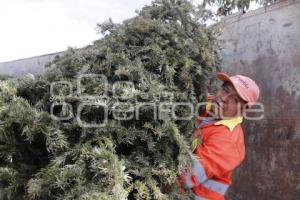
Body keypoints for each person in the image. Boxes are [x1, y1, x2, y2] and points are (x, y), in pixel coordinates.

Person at [180, 72, 260, 200]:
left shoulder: (228, 143)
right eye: (225, 89)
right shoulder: (212, 108)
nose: (224, 98)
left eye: (234, 100)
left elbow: (186, 177)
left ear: (243, 110)